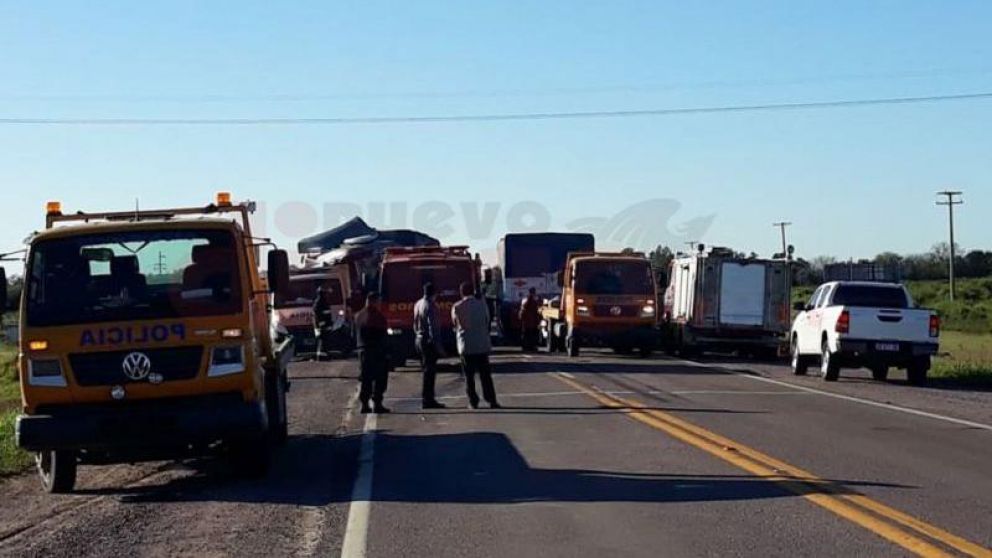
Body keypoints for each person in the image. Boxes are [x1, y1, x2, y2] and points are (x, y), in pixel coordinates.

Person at [452, 282, 500, 409]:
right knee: (485, 376)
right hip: (482, 344)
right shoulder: (482, 304)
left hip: (466, 346)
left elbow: (456, 324)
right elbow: (487, 319)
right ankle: (491, 400)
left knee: (469, 377)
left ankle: (473, 401)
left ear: (461, 292)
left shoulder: (457, 307)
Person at [354, 292, 390, 414]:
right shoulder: (377, 316)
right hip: (376, 351)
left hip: (362, 351)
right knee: (379, 378)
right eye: (378, 301)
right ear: (374, 301)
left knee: (366, 378)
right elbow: (382, 336)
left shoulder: (359, 315)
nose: (379, 304)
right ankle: (377, 403)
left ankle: (364, 404)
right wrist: (387, 351)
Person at [413, 283, 446, 409]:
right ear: (434, 293)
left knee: (426, 370)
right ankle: (428, 399)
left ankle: (427, 398)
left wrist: (417, 335)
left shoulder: (418, 304)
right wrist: (438, 345)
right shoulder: (431, 306)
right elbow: (433, 327)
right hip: (428, 341)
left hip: (419, 339)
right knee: (430, 372)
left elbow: (415, 323)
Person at [312, 286, 334, 361]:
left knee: (325, 341)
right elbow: (318, 316)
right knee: (323, 341)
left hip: (324, 325)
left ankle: (324, 356)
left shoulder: (323, 302)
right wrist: (322, 325)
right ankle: (322, 357)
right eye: (325, 293)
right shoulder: (319, 303)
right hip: (322, 326)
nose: (327, 295)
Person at [519, 287, 542, 352]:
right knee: (529, 334)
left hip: (530, 322)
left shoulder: (528, 300)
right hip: (529, 322)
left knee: (530, 334)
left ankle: (529, 346)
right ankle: (528, 346)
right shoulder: (529, 300)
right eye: (533, 292)